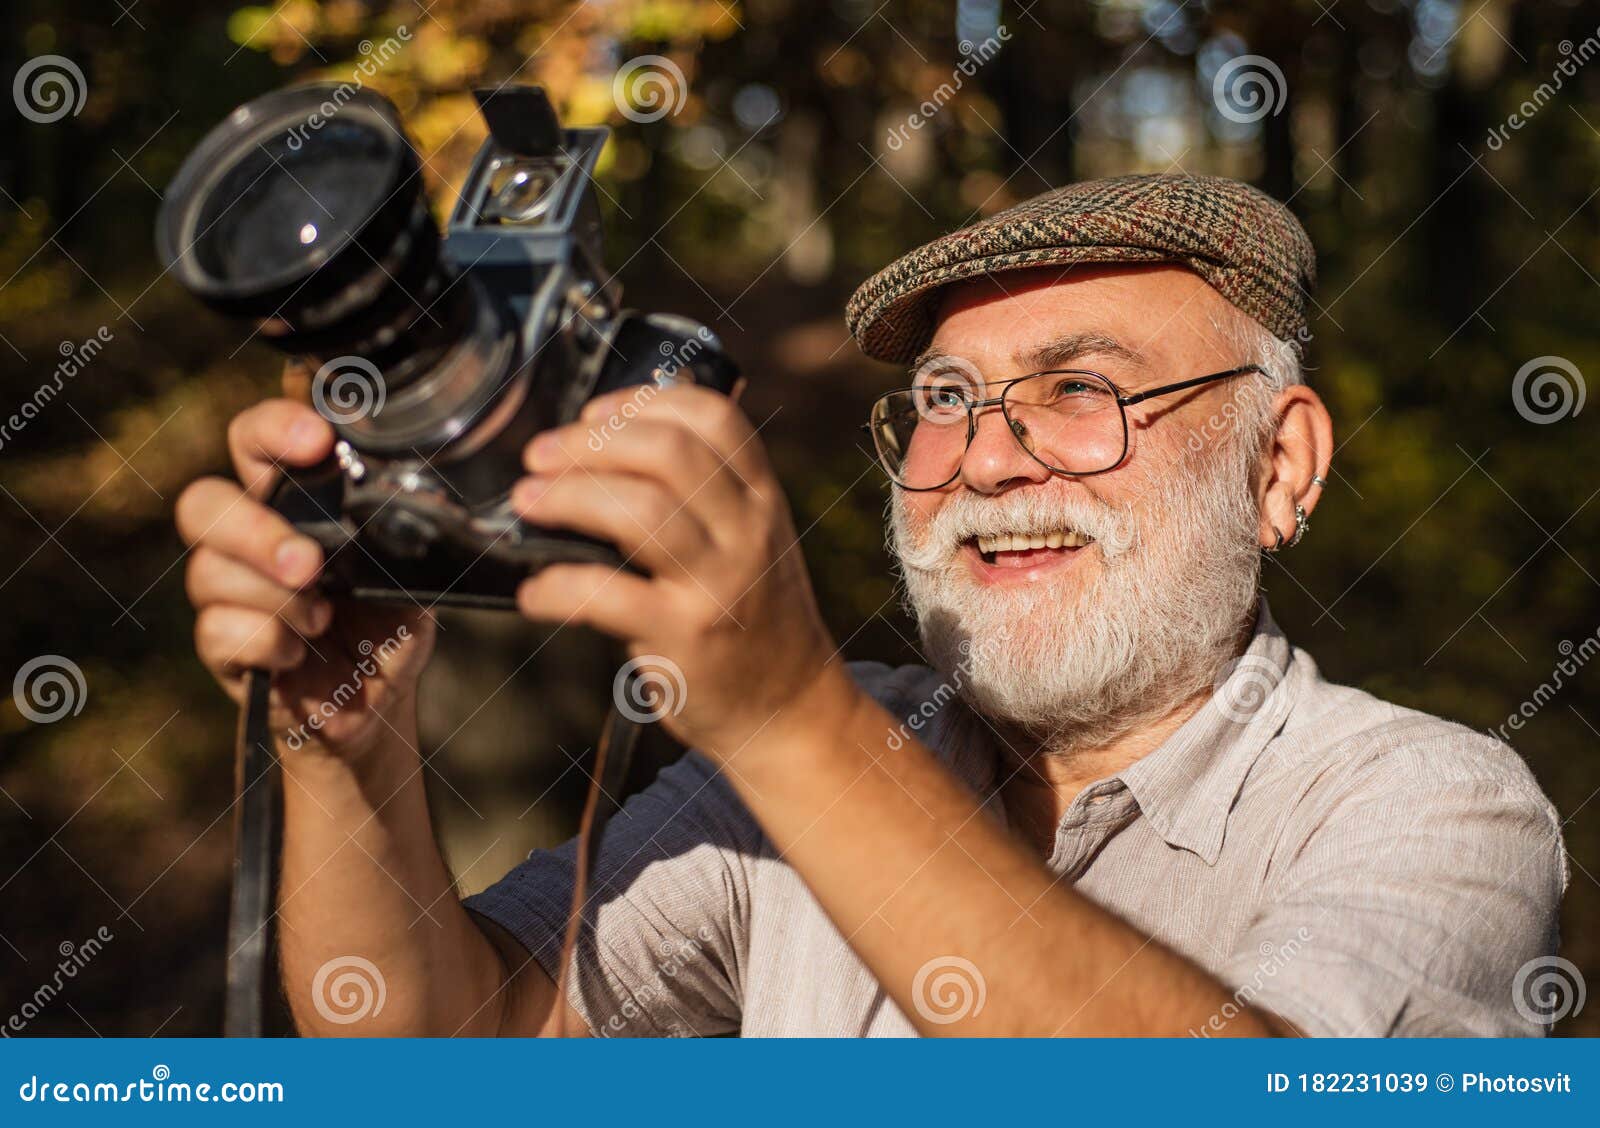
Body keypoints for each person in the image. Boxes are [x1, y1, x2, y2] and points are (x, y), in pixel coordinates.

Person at [175, 173, 1566, 1037]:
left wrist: (789, 717)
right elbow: (450, 1044)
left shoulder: (1432, 803)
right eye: (948, 402)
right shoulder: (798, 773)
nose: (992, 452)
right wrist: (342, 739)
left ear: (1282, 466)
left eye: (1082, 391)